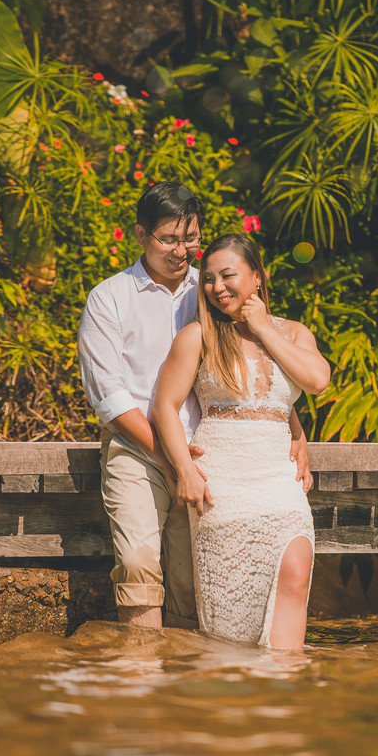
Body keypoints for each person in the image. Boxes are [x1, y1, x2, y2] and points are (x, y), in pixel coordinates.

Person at [78, 183, 312, 631]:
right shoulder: (110, 298)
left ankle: (183, 690)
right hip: (137, 448)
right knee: (138, 563)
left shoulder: (211, 288)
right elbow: (110, 398)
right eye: (169, 239)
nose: (182, 250)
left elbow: (254, 369)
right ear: (140, 235)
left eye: (191, 239)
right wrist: (171, 458)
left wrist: (294, 429)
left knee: (191, 582)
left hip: (209, 456)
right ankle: (139, 676)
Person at [152, 234, 331, 650]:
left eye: (228, 275)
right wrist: (184, 469)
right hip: (223, 483)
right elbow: (165, 405)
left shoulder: (294, 332)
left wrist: (264, 327)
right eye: (209, 278)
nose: (217, 287)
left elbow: (317, 381)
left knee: (296, 566)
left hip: (278, 481)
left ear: (256, 277)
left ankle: (284, 691)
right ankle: (236, 695)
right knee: (232, 622)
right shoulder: (198, 336)